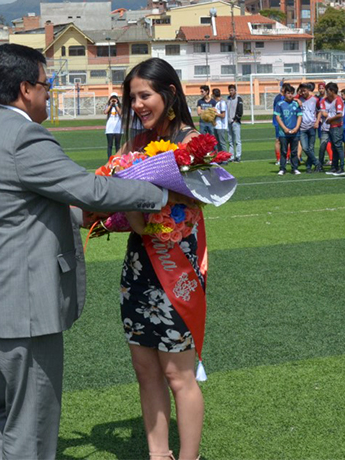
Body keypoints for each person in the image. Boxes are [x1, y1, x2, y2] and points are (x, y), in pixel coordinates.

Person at [0, 44, 170, 460]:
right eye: (46, 85)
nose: (48, 93)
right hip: (25, 307)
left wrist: (92, 217)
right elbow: (89, 188)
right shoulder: (24, 136)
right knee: (33, 425)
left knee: (7, 415)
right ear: (25, 89)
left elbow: (36, 204)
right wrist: (161, 190)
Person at [115, 58, 208, 460]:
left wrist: (148, 185)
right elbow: (128, 209)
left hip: (176, 268)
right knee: (145, 370)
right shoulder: (134, 145)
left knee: (177, 374)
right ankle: (158, 455)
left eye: (145, 95)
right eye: (132, 97)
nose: (137, 105)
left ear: (169, 94)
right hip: (139, 266)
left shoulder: (192, 144)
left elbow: (199, 196)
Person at [274, 83, 303, 176]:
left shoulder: (296, 104)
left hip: (295, 133)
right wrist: (284, 128)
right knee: (284, 151)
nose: (290, 95)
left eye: (291, 93)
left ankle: (294, 168)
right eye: (288, 93)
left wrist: (296, 128)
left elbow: (299, 116)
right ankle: (282, 168)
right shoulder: (280, 104)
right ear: (284, 94)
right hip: (283, 133)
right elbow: (277, 117)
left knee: (294, 151)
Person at [321, 84, 345, 175]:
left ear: (331, 91)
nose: (327, 93)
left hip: (337, 127)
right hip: (332, 127)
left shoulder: (338, 100)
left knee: (338, 147)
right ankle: (334, 167)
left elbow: (340, 114)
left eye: (328, 91)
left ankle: (341, 168)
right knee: (334, 147)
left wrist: (330, 119)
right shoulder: (332, 101)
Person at [298, 83, 320, 172]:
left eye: (304, 90)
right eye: (301, 91)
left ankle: (308, 167)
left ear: (308, 90)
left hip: (312, 127)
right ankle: (317, 163)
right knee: (305, 147)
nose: (303, 92)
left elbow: (320, 111)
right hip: (302, 128)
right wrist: (296, 99)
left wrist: (317, 122)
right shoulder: (298, 99)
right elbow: (290, 97)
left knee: (311, 148)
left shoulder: (315, 100)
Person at [225, 84, 243, 162]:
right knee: (230, 140)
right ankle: (231, 156)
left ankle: (238, 156)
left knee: (237, 140)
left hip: (235, 122)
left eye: (232, 90)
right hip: (228, 122)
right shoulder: (228, 99)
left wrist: (236, 119)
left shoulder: (238, 98)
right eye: (230, 90)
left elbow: (240, 110)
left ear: (235, 90)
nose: (231, 92)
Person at [104, 93, 123, 158]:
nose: (113, 100)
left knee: (117, 145)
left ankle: (117, 157)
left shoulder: (120, 106)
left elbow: (120, 113)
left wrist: (116, 105)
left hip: (118, 127)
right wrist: (111, 104)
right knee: (110, 145)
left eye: (115, 99)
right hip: (110, 128)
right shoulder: (108, 106)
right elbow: (105, 112)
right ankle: (109, 158)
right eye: (112, 99)